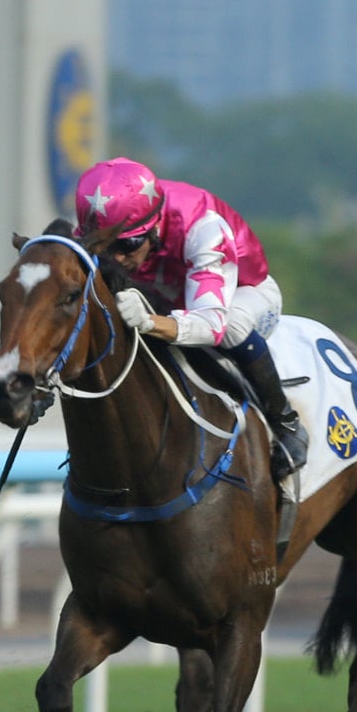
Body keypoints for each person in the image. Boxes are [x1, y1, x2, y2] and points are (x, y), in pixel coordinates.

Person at [77, 156, 310, 475]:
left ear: (154, 226)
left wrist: (149, 322)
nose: (116, 258)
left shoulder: (204, 228)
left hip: (242, 294)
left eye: (128, 245)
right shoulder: (103, 226)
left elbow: (211, 325)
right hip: (167, 298)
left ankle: (286, 423)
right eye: (104, 248)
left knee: (233, 327)